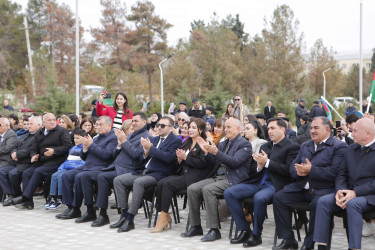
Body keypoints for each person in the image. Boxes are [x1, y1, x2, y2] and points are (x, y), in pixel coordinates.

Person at [272, 117, 347, 250]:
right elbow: (292, 166)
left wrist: (311, 170)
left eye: (316, 128)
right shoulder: (305, 145)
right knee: (279, 197)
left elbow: (335, 172)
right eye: (311, 128)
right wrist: (298, 172)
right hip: (302, 187)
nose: (312, 131)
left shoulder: (338, 146)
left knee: (318, 204)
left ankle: (309, 243)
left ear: (327, 129)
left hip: (324, 189)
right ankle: (288, 239)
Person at [225, 118, 300, 247]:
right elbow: (254, 170)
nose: (269, 131)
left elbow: (289, 171)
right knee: (229, 193)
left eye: (272, 128)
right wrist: (259, 165)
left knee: (259, 198)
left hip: (275, 184)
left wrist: (267, 163)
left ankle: (256, 234)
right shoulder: (265, 146)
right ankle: (244, 229)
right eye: (268, 128)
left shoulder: (292, 147)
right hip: (258, 182)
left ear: (283, 129)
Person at [181, 118, 252, 242]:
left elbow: (234, 162)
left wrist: (216, 152)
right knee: (192, 189)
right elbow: (213, 163)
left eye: (229, 127)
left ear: (238, 129)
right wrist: (207, 152)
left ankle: (214, 230)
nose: (226, 129)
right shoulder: (224, 143)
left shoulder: (244, 144)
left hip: (233, 179)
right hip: (218, 177)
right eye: (226, 127)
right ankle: (196, 226)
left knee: (208, 190)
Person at [111, 117, 181, 232]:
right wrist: (145, 153)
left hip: (160, 174)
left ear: (171, 127)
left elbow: (168, 158)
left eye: (163, 126)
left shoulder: (175, 140)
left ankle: (130, 219)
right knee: (118, 180)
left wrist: (151, 148)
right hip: (144, 171)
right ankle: (123, 215)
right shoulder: (154, 139)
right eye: (158, 125)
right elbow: (143, 158)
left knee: (139, 182)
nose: (159, 127)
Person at [314, 118, 375, 250]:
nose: (351, 134)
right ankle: (322, 246)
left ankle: (354, 248)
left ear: (368, 133)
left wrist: (355, 193)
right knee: (323, 201)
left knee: (354, 204)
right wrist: (340, 191)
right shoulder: (351, 149)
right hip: (350, 193)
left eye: (355, 131)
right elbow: (341, 173)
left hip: (370, 196)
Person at [86, 112, 152, 227]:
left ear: (144, 122)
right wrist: (119, 145)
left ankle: (109, 214)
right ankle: (105, 213)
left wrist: (124, 142)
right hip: (117, 166)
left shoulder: (147, 137)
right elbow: (118, 153)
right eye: (133, 120)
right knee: (97, 175)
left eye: (136, 121)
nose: (133, 123)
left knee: (102, 177)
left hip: (129, 169)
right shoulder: (131, 135)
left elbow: (137, 155)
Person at [152, 118, 211, 233]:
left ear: (201, 130)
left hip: (197, 177)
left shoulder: (204, 143)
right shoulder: (187, 142)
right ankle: (163, 213)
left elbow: (204, 164)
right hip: (184, 174)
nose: (190, 130)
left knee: (168, 184)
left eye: (194, 128)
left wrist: (186, 158)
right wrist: (179, 160)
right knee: (161, 182)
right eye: (189, 127)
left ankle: (164, 216)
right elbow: (178, 162)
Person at [56, 116, 117, 220]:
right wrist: (85, 148)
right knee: (66, 175)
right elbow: (83, 157)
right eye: (97, 125)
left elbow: (107, 155)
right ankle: (71, 207)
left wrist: (91, 145)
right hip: (88, 166)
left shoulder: (113, 138)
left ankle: (82, 209)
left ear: (109, 125)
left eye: (100, 124)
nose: (98, 127)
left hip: (102, 167)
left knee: (81, 176)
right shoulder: (97, 137)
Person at [12, 113, 72, 210]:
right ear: (44, 122)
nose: (52, 122)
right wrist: (33, 155)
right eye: (49, 120)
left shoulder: (62, 131)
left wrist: (54, 151)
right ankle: (28, 202)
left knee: (38, 171)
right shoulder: (40, 132)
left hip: (57, 162)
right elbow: (33, 148)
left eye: (53, 119)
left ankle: (24, 197)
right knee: (27, 172)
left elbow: (67, 146)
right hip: (42, 162)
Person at [2, 116, 42, 206]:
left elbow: (31, 149)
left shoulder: (39, 135)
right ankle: (14, 195)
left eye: (30, 124)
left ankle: (19, 196)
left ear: (38, 125)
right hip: (17, 161)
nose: (28, 126)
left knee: (13, 173)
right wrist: (13, 153)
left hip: (27, 162)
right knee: (3, 171)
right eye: (28, 124)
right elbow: (16, 145)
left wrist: (17, 154)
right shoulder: (27, 134)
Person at [44, 129, 87, 210]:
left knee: (61, 176)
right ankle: (52, 197)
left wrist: (69, 166)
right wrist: (61, 167)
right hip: (67, 167)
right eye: (74, 138)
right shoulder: (73, 148)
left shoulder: (84, 149)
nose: (75, 140)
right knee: (54, 175)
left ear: (84, 138)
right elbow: (68, 160)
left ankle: (61, 197)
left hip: (73, 169)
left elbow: (82, 163)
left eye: (78, 138)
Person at [0, 117, 20, 200]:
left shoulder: (11, 134)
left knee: (0, 171)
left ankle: (10, 194)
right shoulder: (1, 135)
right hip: (2, 160)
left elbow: (6, 149)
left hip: (8, 161)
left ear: (6, 126)